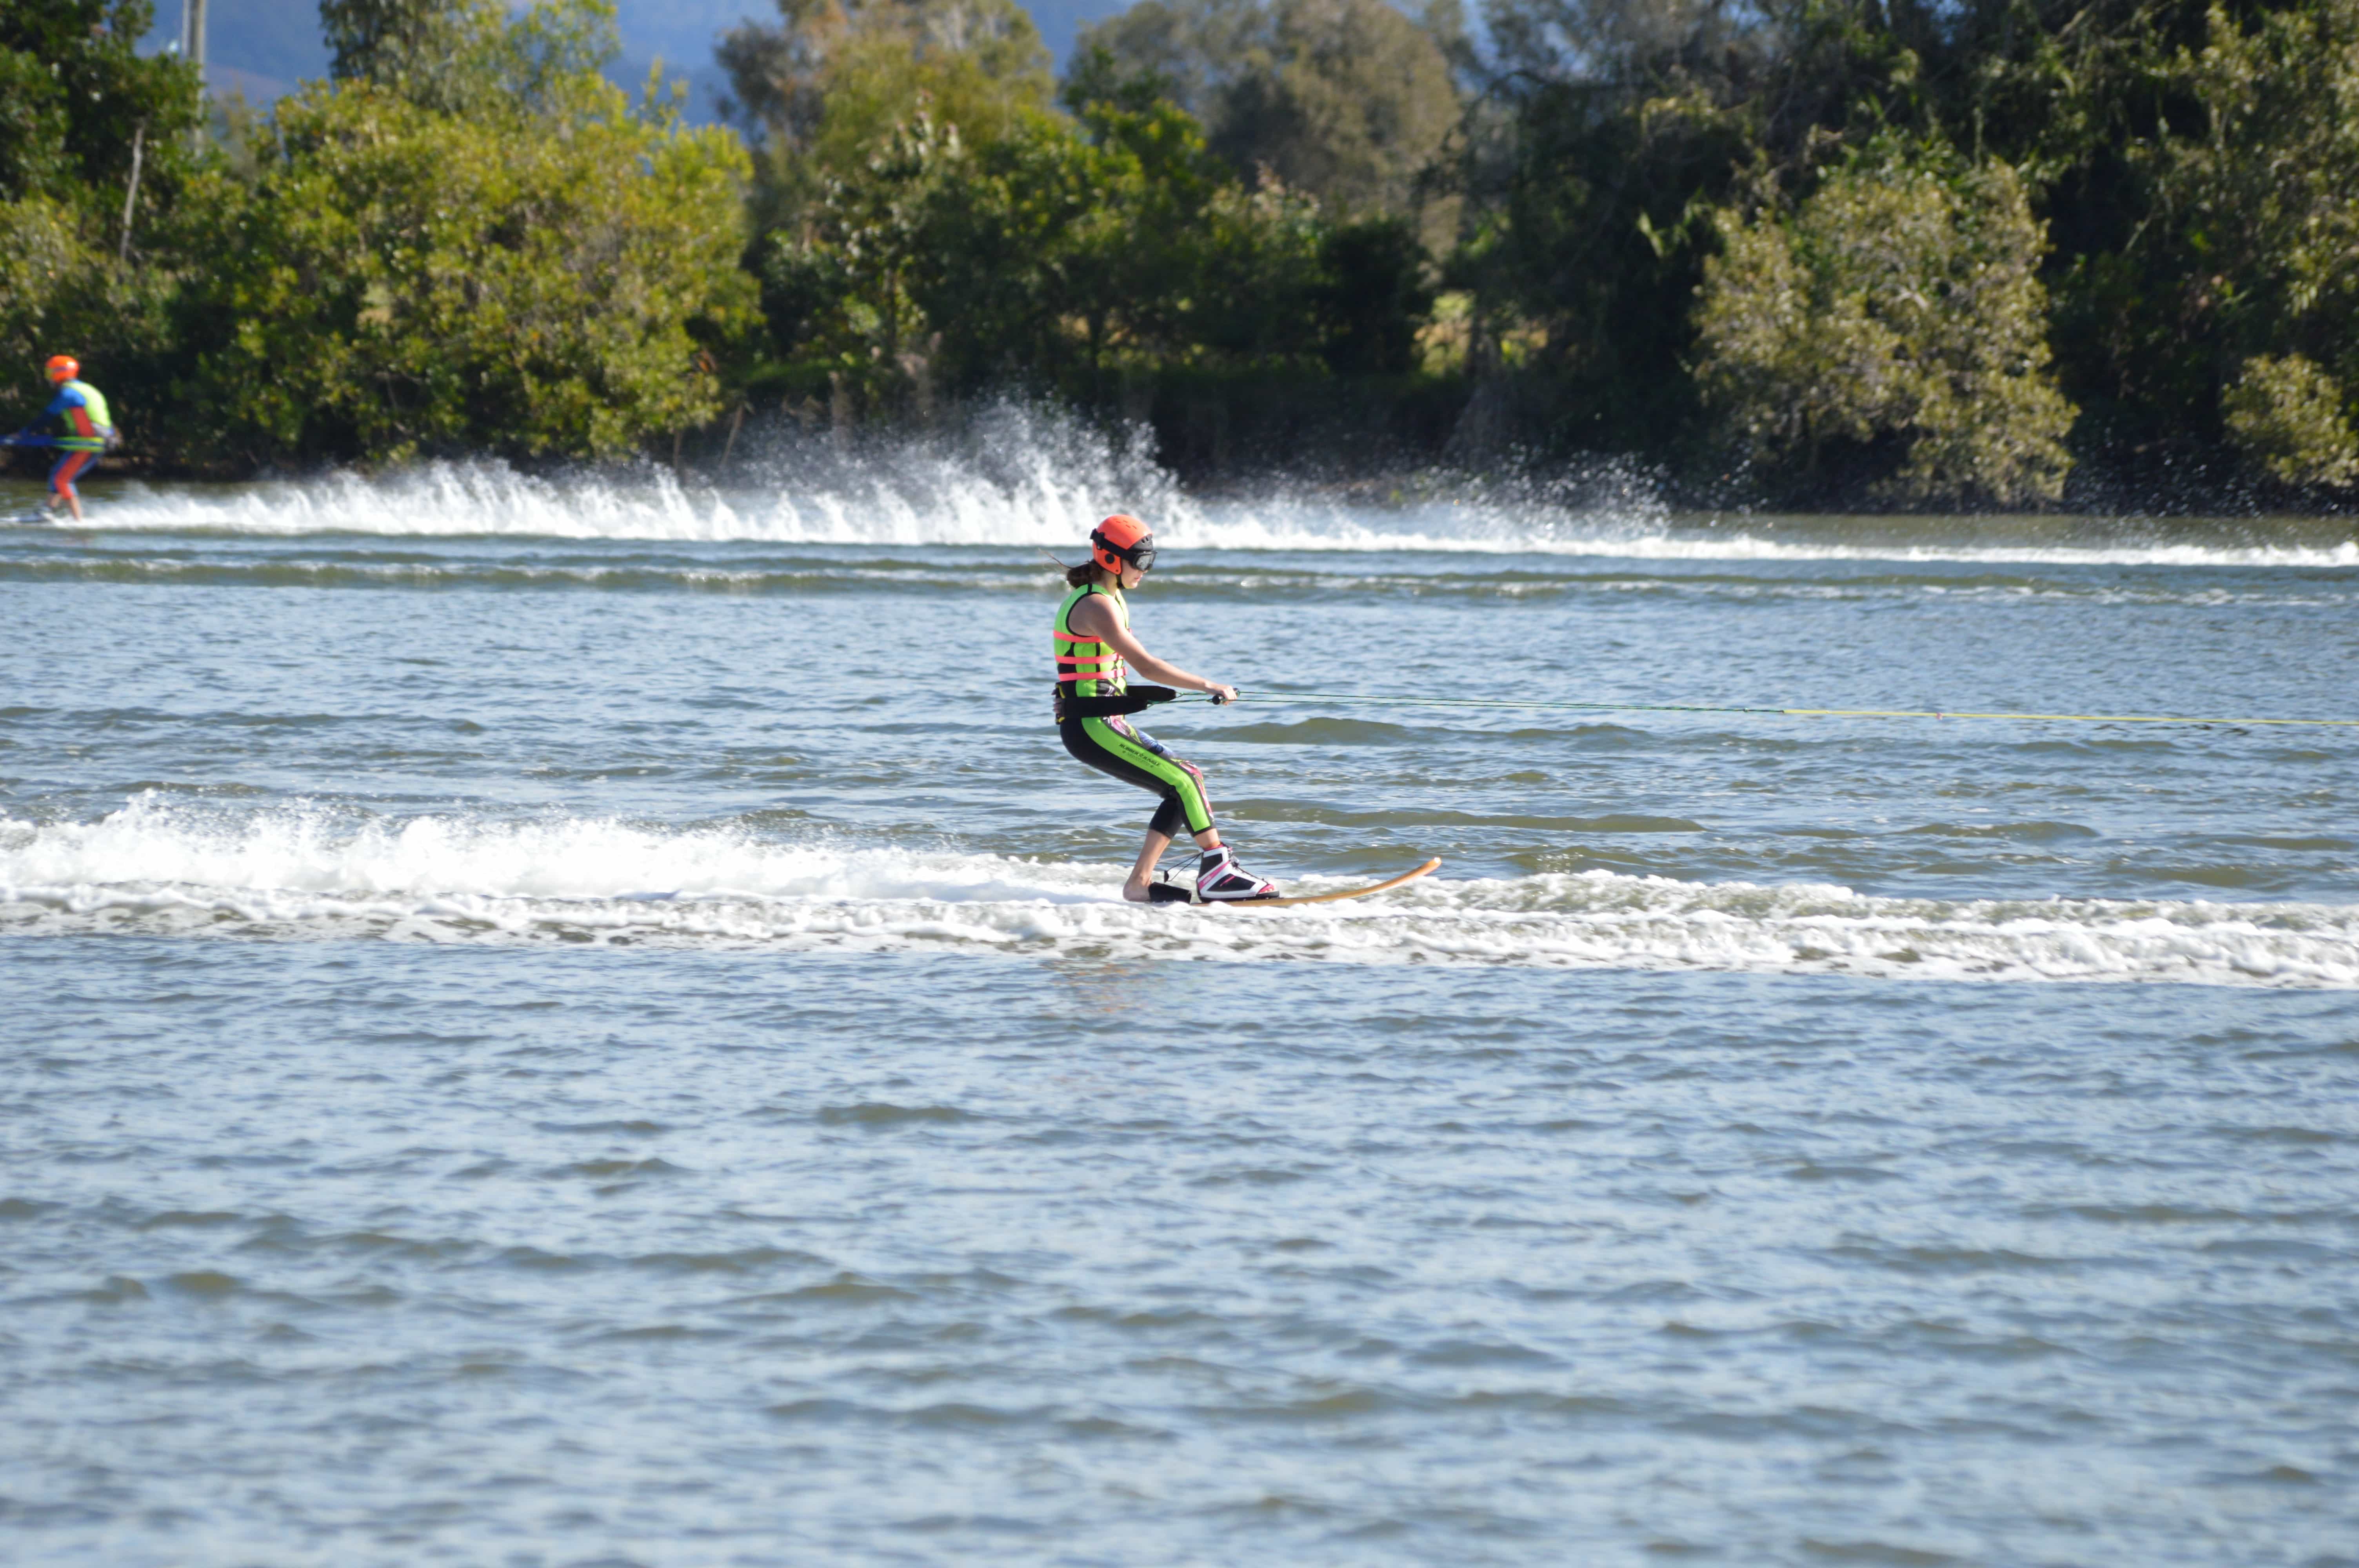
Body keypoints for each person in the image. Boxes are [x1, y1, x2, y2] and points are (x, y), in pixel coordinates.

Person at [1054, 513, 1280, 903]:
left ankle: (1140, 884)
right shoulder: (1096, 605)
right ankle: (1218, 871)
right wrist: (1210, 685)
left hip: (1105, 721)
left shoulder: (1110, 598)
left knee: (1187, 780)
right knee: (1184, 781)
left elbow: (1105, 674)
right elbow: (1147, 665)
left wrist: (1144, 695)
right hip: (1091, 727)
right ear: (1112, 560)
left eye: (1150, 561)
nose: (1145, 570)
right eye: (1140, 561)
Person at [9, 356, 115, 522]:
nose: (49, 377)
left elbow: (46, 417)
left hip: (89, 441)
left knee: (62, 479)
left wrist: (23, 433)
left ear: (59, 373)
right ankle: (46, 512)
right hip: (97, 439)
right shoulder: (87, 389)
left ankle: (78, 522)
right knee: (58, 474)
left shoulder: (69, 393)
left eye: (49, 373)